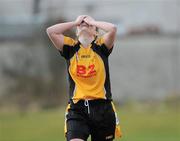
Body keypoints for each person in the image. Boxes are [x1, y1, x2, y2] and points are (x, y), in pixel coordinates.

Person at [46, 15, 122, 141]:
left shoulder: (101, 47)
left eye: (89, 25)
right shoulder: (70, 48)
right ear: (76, 31)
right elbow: (51, 31)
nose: (84, 24)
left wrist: (93, 22)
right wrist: (75, 22)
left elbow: (112, 28)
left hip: (103, 108)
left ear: (95, 32)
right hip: (77, 108)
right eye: (81, 24)